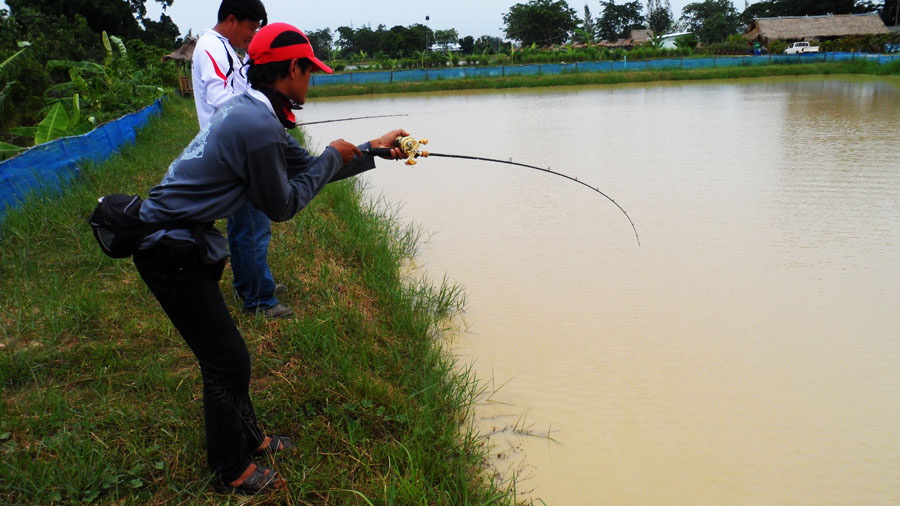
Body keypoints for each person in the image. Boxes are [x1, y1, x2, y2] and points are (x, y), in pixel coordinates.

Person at [136, 22, 407, 494]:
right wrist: (331, 156)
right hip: (167, 248)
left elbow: (305, 171)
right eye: (310, 72)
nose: (312, 82)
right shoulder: (259, 124)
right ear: (293, 69)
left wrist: (371, 150)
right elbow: (282, 204)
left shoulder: (253, 111)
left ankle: (251, 440)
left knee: (227, 357)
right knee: (226, 362)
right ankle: (231, 468)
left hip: (180, 239)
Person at [193, 0, 292, 319]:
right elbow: (219, 97)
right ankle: (260, 300)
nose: (252, 36)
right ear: (231, 20)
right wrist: (261, 115)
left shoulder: (224, 49)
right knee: (253, 225)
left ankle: (250, 284)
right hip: (237, 151)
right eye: (251, 28)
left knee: (243, 225)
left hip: (234, 148)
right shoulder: (211, 46)